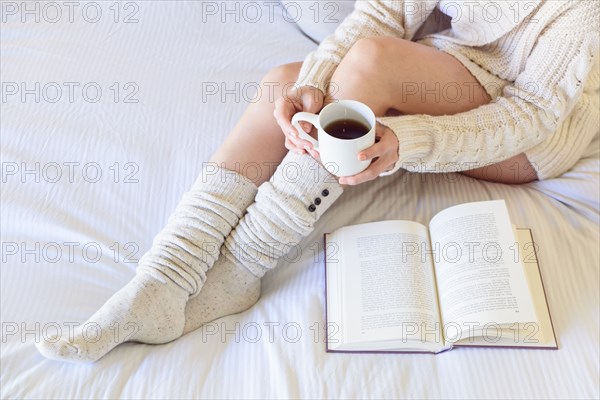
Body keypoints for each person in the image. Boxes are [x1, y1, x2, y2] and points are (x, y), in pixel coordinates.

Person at [36, 0, 599, 362]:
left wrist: (411, 140)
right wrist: (311, 86)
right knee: (281, 85)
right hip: (454, 67)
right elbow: (381, 13)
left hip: (528, 132)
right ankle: (163, 279)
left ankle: (241, 268)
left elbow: (529, 115)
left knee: (371, 65)